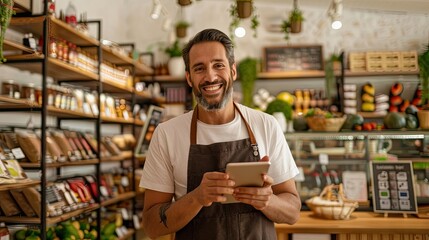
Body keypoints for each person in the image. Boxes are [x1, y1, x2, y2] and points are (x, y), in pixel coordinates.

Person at [140, 28, 301, 240]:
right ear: (189, 78)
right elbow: (152, 226)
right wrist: (197, 197)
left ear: (232, 71)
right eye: (199, 68)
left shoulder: (266, 125)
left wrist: (267, 200)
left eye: (218, 65)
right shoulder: (167, 134)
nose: (210, 76)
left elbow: (292, 212)